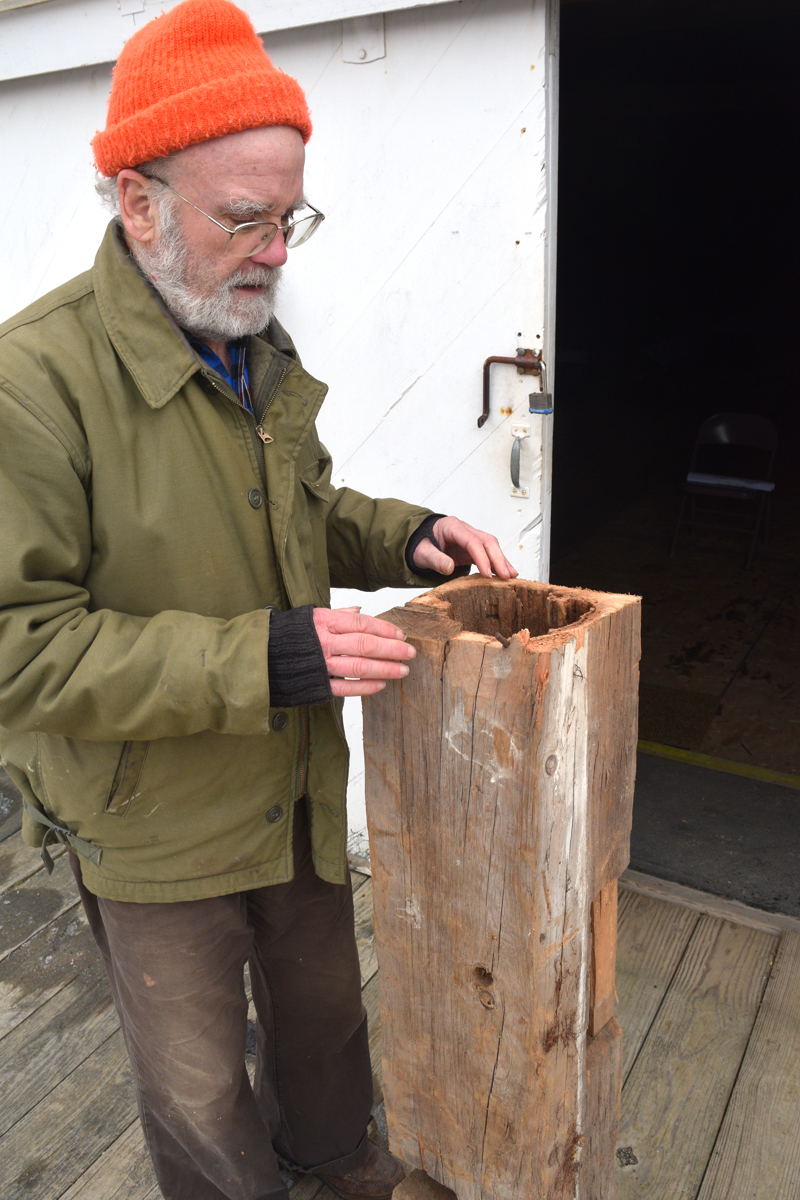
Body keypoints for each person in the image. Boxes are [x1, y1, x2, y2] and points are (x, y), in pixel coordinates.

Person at [0, 2, 516, 1198]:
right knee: (197, 1089)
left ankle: (342, 1171)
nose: (277, 251)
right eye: (247, 219)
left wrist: (409, 536)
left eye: (292, 218)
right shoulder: (32, 383)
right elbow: (20, 648)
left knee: (326, 1022)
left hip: (287, 787)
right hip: (148, 821)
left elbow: (303, 506)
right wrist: (268, 659)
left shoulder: (248, 342)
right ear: (137, 202)